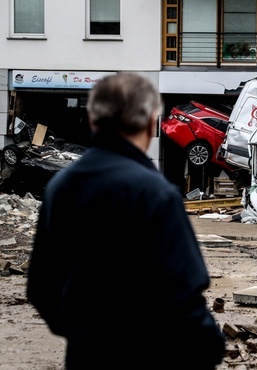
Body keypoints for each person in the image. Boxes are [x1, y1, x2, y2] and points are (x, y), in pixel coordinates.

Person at [26, 73, 226, 369]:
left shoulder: (60, 188)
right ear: (149, 123)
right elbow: (183, 299)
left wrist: (82, 333)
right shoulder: (155, 193)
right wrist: (210, 347)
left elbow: (41, 289)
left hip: (85, 357)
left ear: (93, 121)